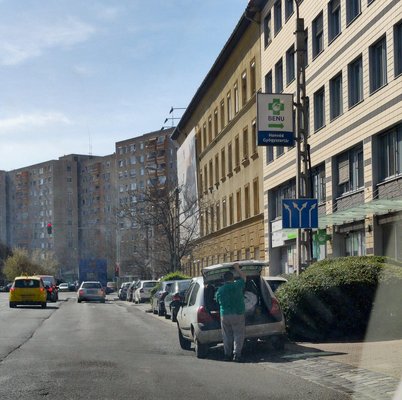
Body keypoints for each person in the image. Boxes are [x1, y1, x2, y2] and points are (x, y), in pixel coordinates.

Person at [215, 262, 246, 362]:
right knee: (238, 334)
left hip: (225, 315)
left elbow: (217, 301)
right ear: (232, 278)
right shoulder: (238, 285)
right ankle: (237, 355)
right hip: (238, 313)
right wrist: (237, 268)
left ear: (224, 280)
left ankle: (227, 355)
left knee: (227, 335)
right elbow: (244, 277)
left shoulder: (220, 290)